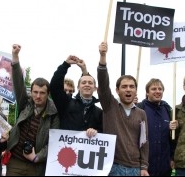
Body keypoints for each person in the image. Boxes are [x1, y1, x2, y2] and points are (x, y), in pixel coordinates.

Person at [6, 44, 60, 176]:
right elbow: (19, 82)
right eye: (35, 92)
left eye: (42, 93)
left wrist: (38, 157)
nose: (38, 96)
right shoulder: (25, 103)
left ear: (48, 94)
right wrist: (15, 57)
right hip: (15, 162)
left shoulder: (54, 113)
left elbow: (54, 142)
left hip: (36, 166)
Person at [97, 42, 149, 176]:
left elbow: (144, 142)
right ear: (117, 90)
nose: (128, 89)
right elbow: (103, 85)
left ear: (136, 90)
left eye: (132, 86)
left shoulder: (141, 113)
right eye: (124, 86)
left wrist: (144, 167)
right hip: (113, 167)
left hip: (135, 169)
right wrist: (103, 58)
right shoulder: (109, 105)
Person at [50, 55, 102, 136]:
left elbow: (104, 132)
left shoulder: (99, 112)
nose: (87, 85)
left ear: (95, 88)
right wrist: (65, 65)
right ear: (78, 87)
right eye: (83, 83)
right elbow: (55, 87)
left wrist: (96, 132)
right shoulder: (66, 103)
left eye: (90, 83)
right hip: (66, 147)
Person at [136, 78, 174, 176]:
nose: (157, 91)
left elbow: (172, 139)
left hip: (164, 167)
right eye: (153, 89)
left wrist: (172, 158)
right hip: (145, 166)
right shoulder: (139, 108)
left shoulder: (168, 110)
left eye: (160, 89)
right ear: (147, 92)